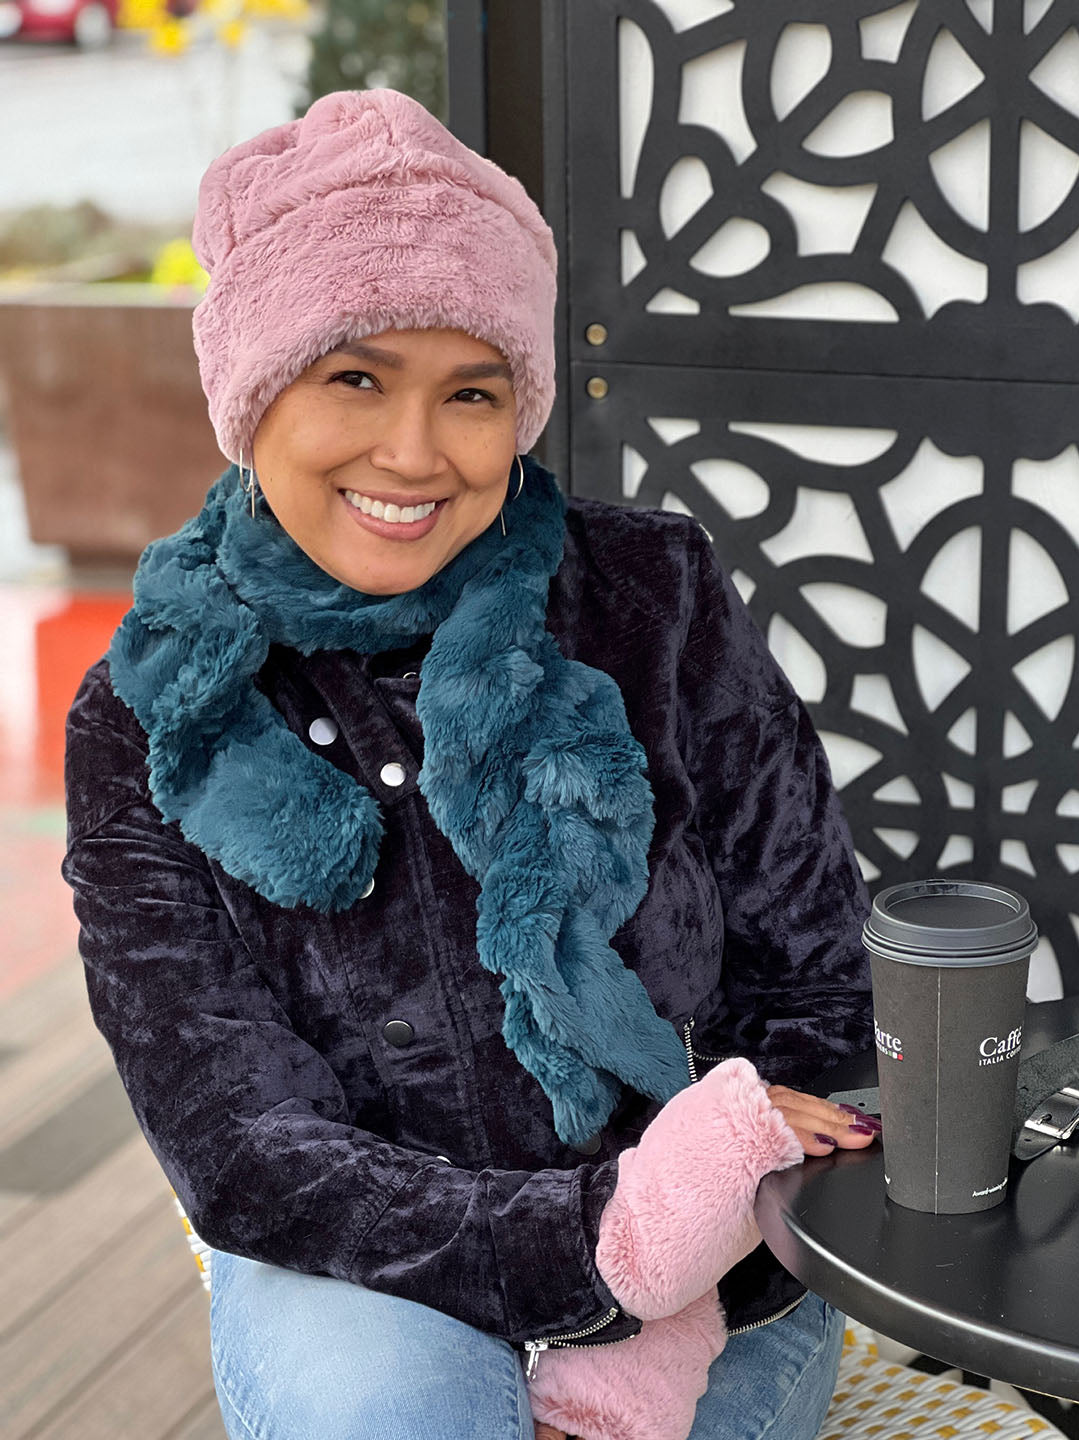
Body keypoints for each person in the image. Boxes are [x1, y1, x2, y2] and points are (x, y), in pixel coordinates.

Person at [61, 88, 878, 1440]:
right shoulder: (150, 711)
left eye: (472, 393)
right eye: (355, 376)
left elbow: (816, 982)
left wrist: (690, 1228)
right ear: (254, 385)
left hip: (700, 1254)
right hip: (368, 1268)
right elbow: (238, 1139)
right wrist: (582, 1242)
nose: (413, 452)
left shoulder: (649, 601)